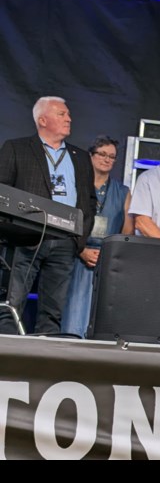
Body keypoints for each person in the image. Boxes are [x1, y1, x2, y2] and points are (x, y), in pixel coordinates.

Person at [0, 96, 96, 334]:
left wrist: (79, 240)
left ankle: (46, 362)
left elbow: (89, 200)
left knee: (53, 311)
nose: (69, 118)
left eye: (68, 114)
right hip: (24, 240)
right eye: (62, 114)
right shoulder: (17, 148)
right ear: (42, 120)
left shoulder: (80, 157)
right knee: (13, 304)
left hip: (64, 242)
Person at [61, 136, 134, 337]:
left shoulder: (123, 192)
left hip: (108, 260)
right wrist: (81, 249)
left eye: (112, 156)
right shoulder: (75, 186)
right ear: (91, 155)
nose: (107, 159)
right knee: (73, 313)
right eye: (102, 154)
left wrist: (111, 255)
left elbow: (128, 230)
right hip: (76, 255)